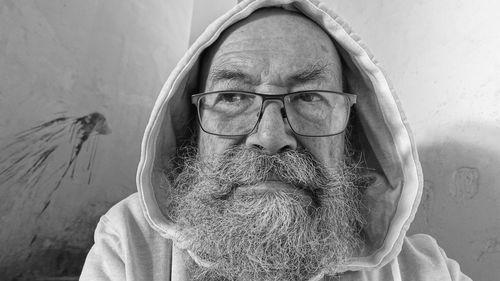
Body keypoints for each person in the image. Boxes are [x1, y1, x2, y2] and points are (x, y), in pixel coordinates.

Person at [80, 0, 472, 280]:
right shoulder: (130, 245)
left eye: (309, 97)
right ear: (190, 131)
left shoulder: (425, 270)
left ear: (352, 132)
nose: (269, 137)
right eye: (232, 97)